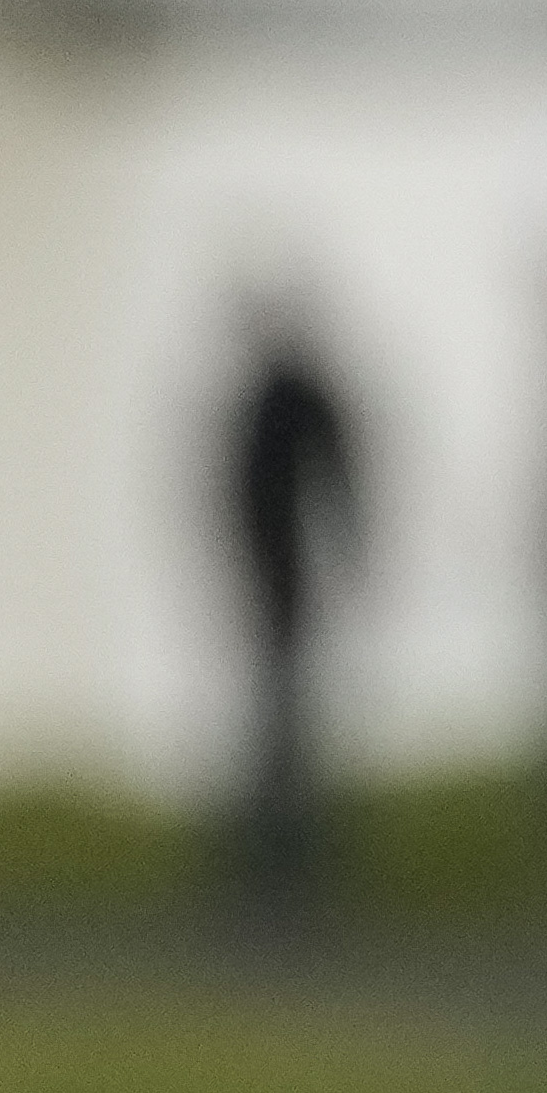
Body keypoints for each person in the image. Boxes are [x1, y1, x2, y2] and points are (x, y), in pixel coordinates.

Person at [210, 281, 366, 929]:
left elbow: (328, 489)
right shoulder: (282, 396)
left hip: (285, 583)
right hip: (276, 581)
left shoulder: (289, 398)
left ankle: (286, 872)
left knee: (283, 730)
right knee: (278, 727)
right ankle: (277, 867)